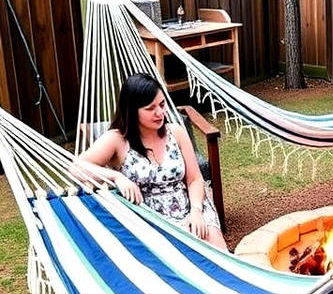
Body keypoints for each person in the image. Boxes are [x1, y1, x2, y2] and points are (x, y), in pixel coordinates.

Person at [78, 73, 228, 251]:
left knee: (217, 254)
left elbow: (195, 179)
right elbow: (77, 167)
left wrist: (196, 211)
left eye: (162, 104)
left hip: (191, 206)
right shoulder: (117, 139)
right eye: (150, 108)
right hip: (152, 219)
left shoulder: (176, 132)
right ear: (132, 110)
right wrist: (117, 177)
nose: (160, 113)